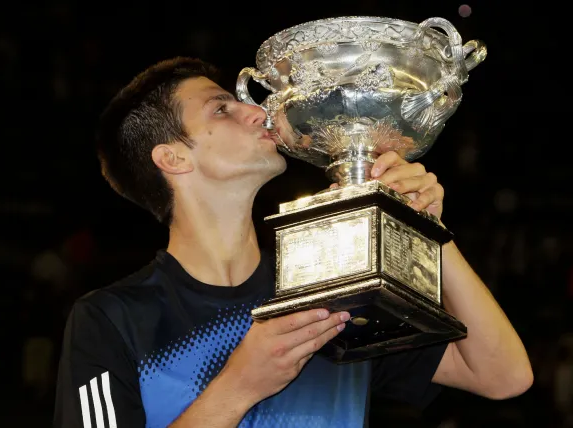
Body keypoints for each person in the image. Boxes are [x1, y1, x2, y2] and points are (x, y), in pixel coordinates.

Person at [53, 57, 533, 428]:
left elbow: (504, 376)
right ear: (173, 157)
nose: (255, 110)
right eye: (221, 108)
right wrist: (239, 386)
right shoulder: (112, 318)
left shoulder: (331, 288)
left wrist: (428, 228)